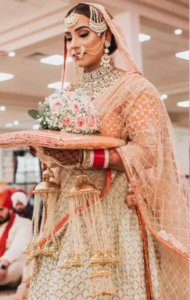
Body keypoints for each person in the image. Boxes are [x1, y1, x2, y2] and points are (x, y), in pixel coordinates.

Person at [17, 3, 189, 300]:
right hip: (66, 208)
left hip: (113, 211)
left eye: (83, 34)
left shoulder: (135, 88)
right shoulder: (67, 95)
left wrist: (89, 157)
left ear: (107, 37)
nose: (75, 45)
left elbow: (148, 152)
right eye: (69, 37)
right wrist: (48, 151)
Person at [0, 189, 31, 288]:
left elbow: (18, 246)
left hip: (11, 263)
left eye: (1, 210)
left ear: (9, 209)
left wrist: (4, 264)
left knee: (17, 268)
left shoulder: (24, 223)